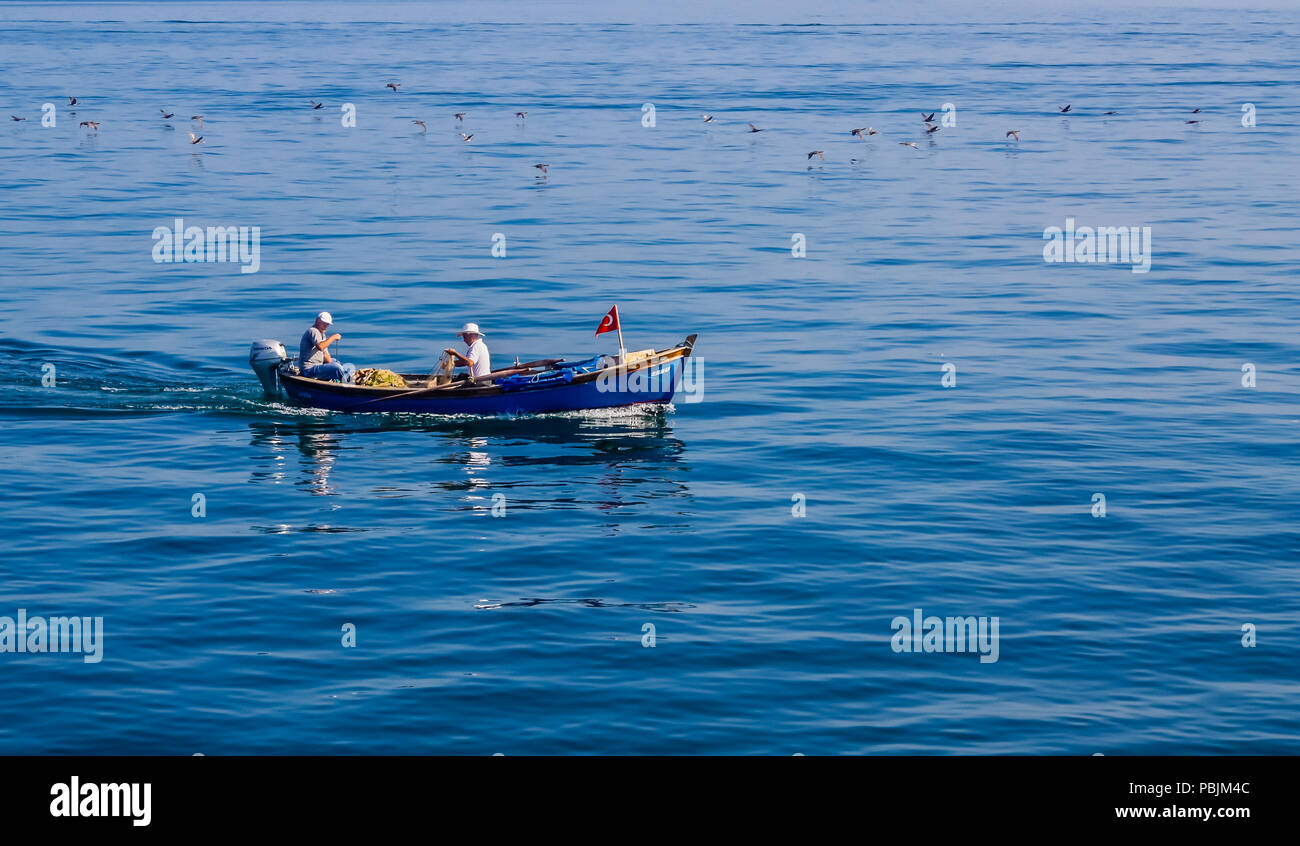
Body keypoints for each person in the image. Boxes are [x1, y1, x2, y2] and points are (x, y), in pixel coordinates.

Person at [299, 311, 346, 381]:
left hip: (317, 366)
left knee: (336, 362)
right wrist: (333, 337)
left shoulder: (322, 335)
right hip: (308, 370)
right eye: (324, 323)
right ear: (317, 321)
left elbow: (326, 355)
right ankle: (347, 383)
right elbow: (321, 346)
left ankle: (341, 378)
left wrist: (333, 365)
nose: (326, 326)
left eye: (327, 324)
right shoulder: (313, 331)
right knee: (337, 367)